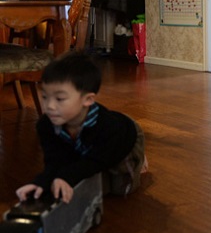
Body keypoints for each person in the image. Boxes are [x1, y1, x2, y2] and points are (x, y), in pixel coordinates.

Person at [16, 52, 146, 203]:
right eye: (45, 97)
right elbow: (54, 161)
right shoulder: (46, 125)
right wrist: (41, 183)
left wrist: (66, 177)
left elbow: (97, 161)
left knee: (121, 189)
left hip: (124, 140)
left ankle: (140, 159)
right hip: (93, 147)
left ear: (88, 99)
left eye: (60, 98)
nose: (49, 106)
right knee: (80, 188)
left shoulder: (109, 128)